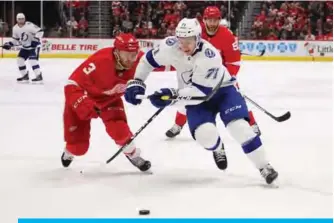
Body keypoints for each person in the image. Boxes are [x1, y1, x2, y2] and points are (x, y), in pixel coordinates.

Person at [125, 18, 278, 184]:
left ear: (198, 38)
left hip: (223, 92)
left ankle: (264, 166)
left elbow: (200, 93)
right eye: (180, 40)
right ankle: (218, 147)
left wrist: (171, 96)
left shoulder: (209, 56)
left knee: (239, 128)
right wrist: (138, 81)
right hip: (195, 97)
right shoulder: (169, 46)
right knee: (206, 136)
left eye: (188, 41)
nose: (183, 46)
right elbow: (147, 61)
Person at [165, 6, 261, 139]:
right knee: (187, 98)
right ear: (204, 20)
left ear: (219, 20)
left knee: (238, 97)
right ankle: (177, 125)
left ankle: (252, 124)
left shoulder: (227, 35)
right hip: (197, 73)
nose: (212, 23)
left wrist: (224, 78)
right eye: (209, 20)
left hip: (221, 75)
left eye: (215, 20)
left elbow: (234, 62)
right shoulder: (197, 32)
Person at [61, 33, 151, 172]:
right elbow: (71, 84)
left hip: (110, 100)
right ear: (116, 51)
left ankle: (133, 154)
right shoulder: (100, 60)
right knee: (78, 148)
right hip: (84, 97)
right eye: (127, 54)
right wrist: (84, 104)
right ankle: (70, 151)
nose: (131, 59)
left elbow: (165, 61)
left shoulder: (140, 60)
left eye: (134, 54)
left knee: (120, 131)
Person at [2, 13, 43, 83]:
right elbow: (16, 40)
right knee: (19, 59)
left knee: (32, 60)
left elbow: (40, 31)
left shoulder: (29, 25)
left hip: (34, 47)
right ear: (17, 20)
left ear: (25, 19)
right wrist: (9, 44)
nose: (21, 20)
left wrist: (35, 40)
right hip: (25, 47)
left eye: (22, 19)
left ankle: (38, 75)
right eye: (19, 19)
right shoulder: (15, 28)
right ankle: (24, 75)